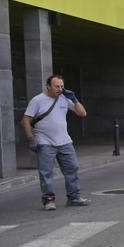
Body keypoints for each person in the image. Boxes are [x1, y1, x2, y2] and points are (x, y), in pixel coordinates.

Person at [22, 75, 91, 211]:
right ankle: (48, 200)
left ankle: (74, 197)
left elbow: (82, 114)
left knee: (72, 169)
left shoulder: (65, 99)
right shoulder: (38, 100)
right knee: (46, 173)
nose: (59, 89)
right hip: (45, 141)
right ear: (48, 86)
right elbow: (25, 120)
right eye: (56, 86)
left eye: (61, 86)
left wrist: (74, 99)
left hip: (65, 141)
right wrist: (31, 139)